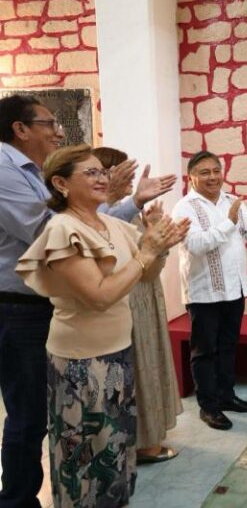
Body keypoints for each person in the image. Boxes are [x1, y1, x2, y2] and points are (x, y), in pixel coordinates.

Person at [0, 94, 174, 508]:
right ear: (20, 129)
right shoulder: (7, 173)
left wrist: (150, 233)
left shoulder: (90, 214)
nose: (57, 129)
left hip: (98, 341)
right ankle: (18, 500)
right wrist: (133, 226)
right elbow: (51, 232)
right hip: (20, 308)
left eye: (102, 172)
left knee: (105, 435)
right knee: (38, 420)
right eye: (47, 122)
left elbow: (134, 259)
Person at [93, 146, 184, 464]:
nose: (130, 182)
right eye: (123, 175)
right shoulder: (90, 216)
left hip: (144, 299)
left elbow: (150, 265)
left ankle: (145, 440)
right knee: (132, 375)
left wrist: (161, 240)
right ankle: (137, 445)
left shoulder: (126, 212)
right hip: (124, 302)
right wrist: (155, 243)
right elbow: (118, 262)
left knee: (148, 368)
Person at [172, 151, 247, 431]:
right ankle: (208, 406)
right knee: (204, 351)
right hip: (204, 292)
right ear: (191, 177)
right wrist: (229, 221)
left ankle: (227, 396)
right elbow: (197, 245)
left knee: (227, 347)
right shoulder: (184, 208)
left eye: (216, 170)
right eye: (204, 172)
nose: (212, 177)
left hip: (234, 289)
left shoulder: (231, 200)